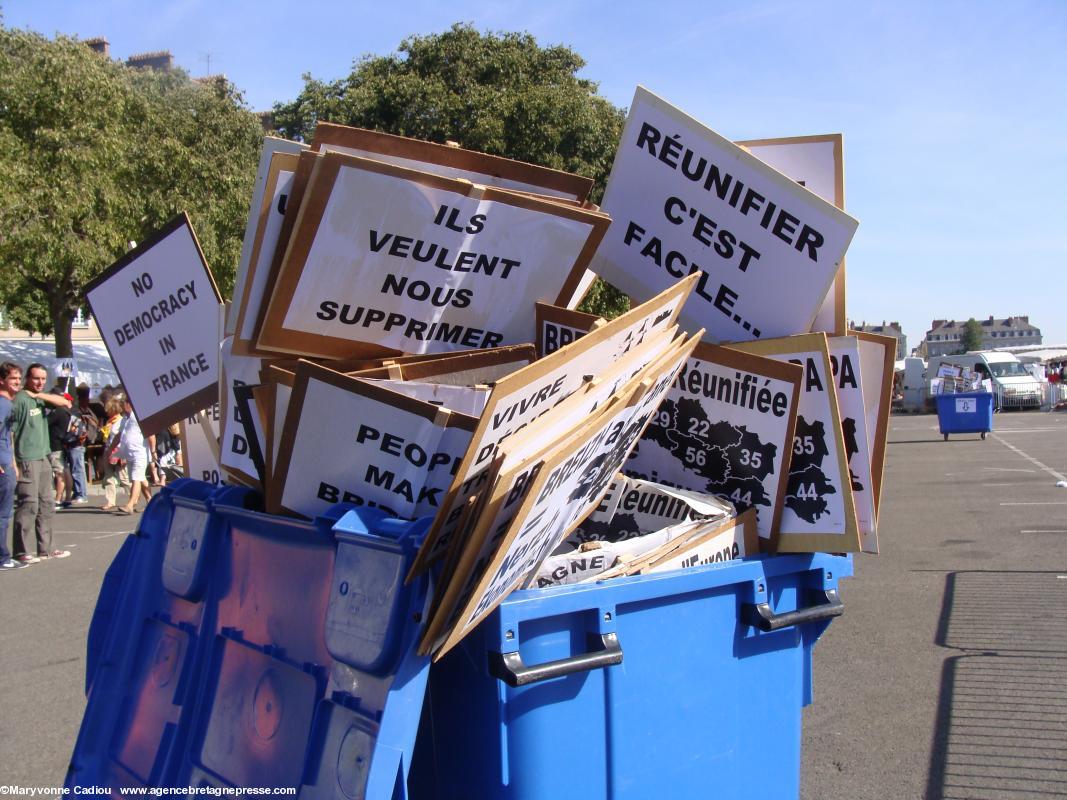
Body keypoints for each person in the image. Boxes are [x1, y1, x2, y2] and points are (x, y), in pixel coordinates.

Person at [11, 363, 72, 562]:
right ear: (28, 378)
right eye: (36, 378)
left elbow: (66, 403)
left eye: (43, 379)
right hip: (26, 458)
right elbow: (10, 433)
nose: (40, 382)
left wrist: (39, 396)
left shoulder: (39, 399)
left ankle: (46, 548)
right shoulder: (19, 400)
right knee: (28, 504)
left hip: (43, 456)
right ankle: (21, 551)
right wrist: (13, 462)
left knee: (46, 504)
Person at [0, 363, 28, 570]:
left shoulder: (8, 403)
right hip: (2, 466)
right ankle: (2, 557)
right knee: (3, 514)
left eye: (19, 378)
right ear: (2, 380)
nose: (17, 382)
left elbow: (8, 435)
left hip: (6, 462)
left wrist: (13, 462)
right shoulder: (3, 404)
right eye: (13, 379)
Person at [98, 395, 129, 511]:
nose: (106, 412)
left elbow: (123, 439)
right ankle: (110, 501)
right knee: (109, 476)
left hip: (119, 452)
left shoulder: (121, 421)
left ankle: (133, 497)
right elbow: (106, 438)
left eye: (108, 409)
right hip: (108, 450)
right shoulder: (109, 422)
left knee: (123, 477)